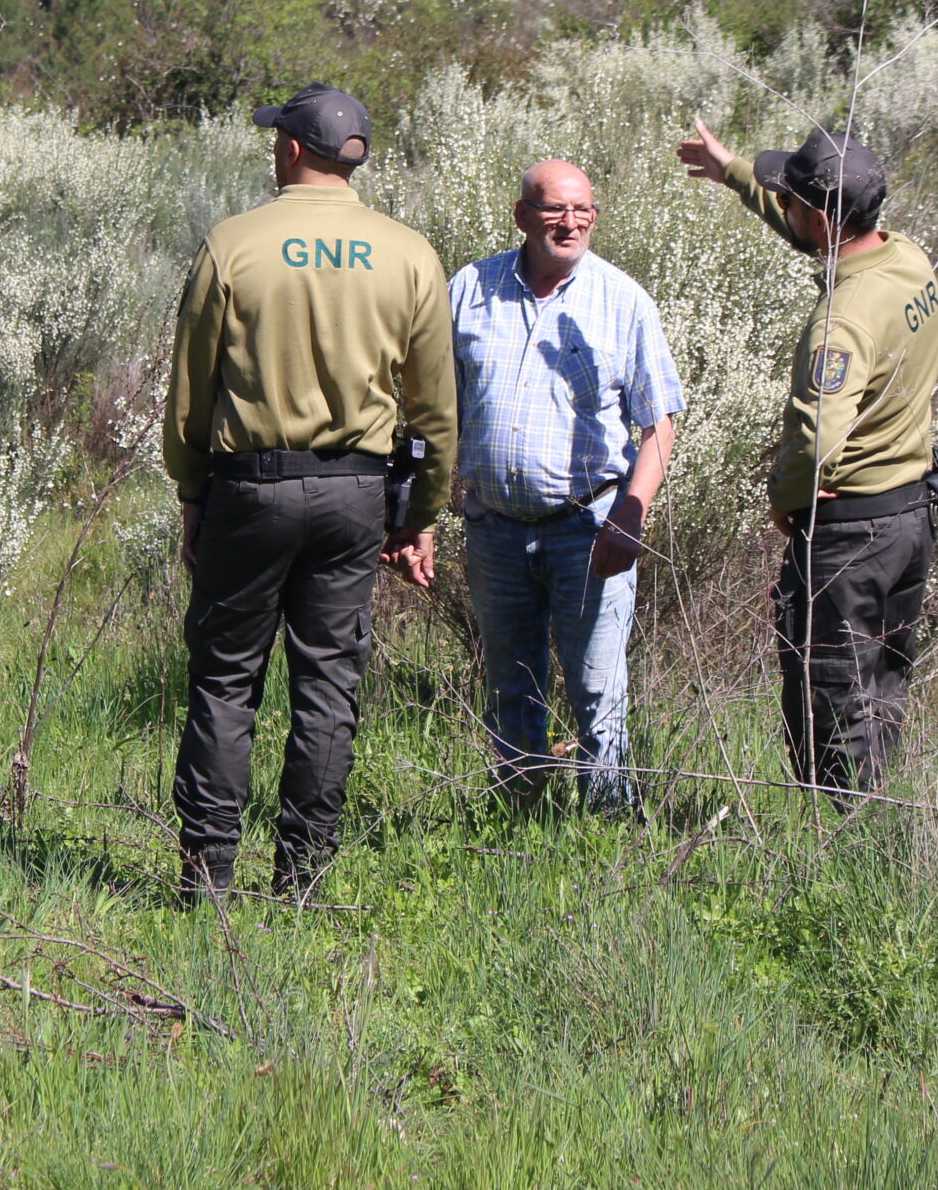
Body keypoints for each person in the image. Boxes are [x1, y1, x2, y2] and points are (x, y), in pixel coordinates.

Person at [163, 83, 459, 904]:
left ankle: (208, 879)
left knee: (226, 682)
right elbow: (435, 405)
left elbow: (191, 388)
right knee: (328, 686)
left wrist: (192, 491)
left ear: (292, 149)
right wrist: (419, 514)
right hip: (355, 494)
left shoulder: (234, 244)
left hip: (249, 490)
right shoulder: (409, 254)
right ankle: (302, 879)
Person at [676, 121, 938, 796]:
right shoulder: (906, 257)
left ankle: (844, 853)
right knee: (880, 686)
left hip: (850, 533)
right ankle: (875, 820)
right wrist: (732, 170)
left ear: (822, 217)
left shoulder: (843, 318)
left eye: (791, 198)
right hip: (910, 513)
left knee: (831, 695)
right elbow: (812, 227)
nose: (785, 207)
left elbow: (816, 435)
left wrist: (785, 498)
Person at [449, 161, 682, 811]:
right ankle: (517, 813)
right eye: (555, 209)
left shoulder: (622, 300)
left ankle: (608, 826)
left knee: (597, 690)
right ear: (523, 215)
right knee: (510, 683)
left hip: (590, 529)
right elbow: (437, 406)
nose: (570, 222)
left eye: (583, 211)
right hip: (494, 527)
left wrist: (630, 517)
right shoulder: (470, 289)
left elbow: (658, 423)